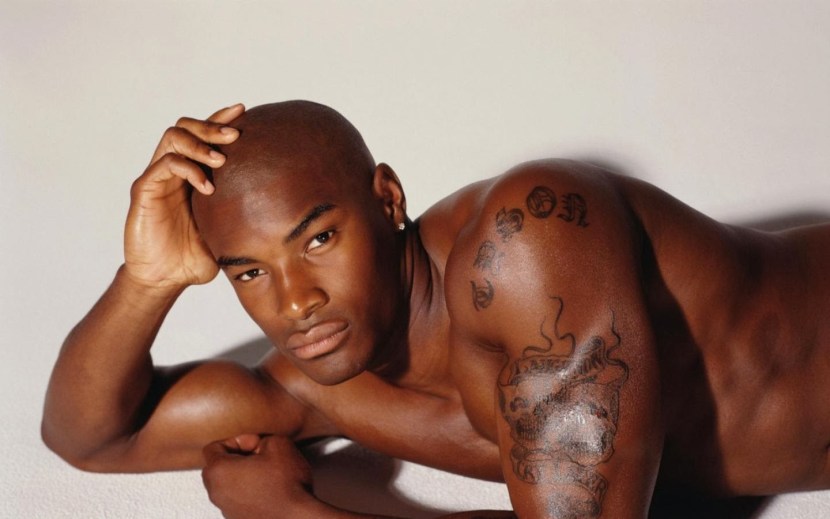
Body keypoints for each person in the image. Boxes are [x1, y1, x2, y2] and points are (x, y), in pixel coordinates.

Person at [42, 101, 830, 519]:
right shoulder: (320, 382)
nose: (294, 301)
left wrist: (293, 513)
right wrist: (146, 281)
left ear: (387, 199)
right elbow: (91, 437)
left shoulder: (527, 244)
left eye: (318, 238)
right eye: (248, 271)